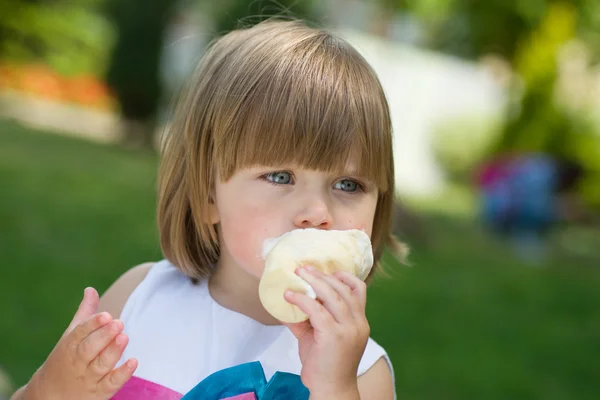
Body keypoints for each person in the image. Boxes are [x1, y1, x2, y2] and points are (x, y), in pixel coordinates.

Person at [11, 19, 407, 400]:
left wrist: (335, 388)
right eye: (280, 177)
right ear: (208, 197)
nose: (317, 212)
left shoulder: (361, 372)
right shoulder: (139, 299)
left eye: (348, 185)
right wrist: (54, 388)